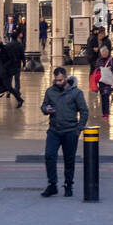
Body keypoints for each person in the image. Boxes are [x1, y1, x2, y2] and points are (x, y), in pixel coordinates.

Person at [39, 67, 88, 197]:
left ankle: (68, 184)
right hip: (54, 130)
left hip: (70, 131)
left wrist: (79, 129)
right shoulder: (50, 91)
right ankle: (52, 184)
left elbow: (84, 111)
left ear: (66, 78)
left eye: (60, 80)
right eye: (56, 80)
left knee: (69, 159)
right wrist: (46, 109)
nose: (58, 83)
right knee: (49, 155)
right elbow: (43, 106)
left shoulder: (76, 93)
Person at [94, 43, 113, 118]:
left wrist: (111, 68)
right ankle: (104, 112)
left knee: (106, 96)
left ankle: (106, 113)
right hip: (101, 81)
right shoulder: (99, 60)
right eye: (102, 53)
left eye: (105, 52)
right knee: (103, 97)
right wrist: (100, 68)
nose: (104, 54)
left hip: (109, 81)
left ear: (108, 53)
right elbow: (96, 69)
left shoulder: (111, 60)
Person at [4, 31, 25, 106]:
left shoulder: (7, 45)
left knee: (9, 79)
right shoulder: (20, 45)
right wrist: (24, 64)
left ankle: (8, 91)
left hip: (9, 65)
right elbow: (22, 55)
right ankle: (17, 91)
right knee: (17, 79)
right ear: (17, 37)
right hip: (17, 64)